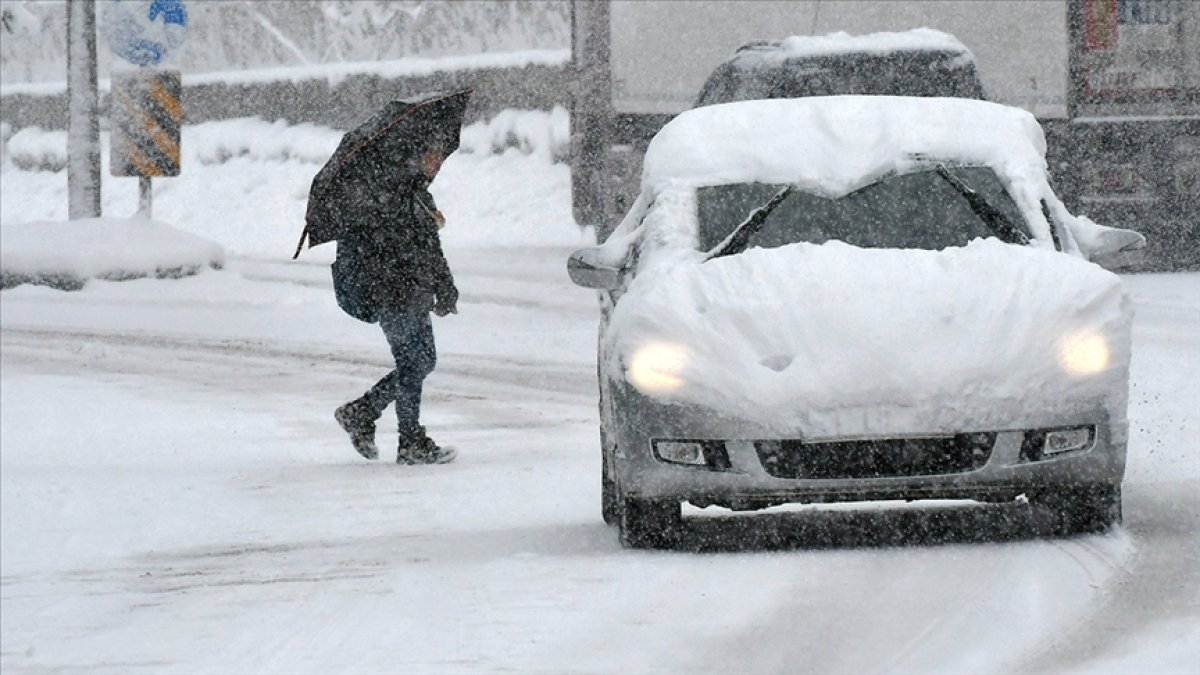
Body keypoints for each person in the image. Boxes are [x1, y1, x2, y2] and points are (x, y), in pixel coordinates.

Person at [332, 139, 459, 465]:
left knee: (422, 362)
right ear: (413, 155)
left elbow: (431, 247)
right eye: (431, 156)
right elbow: (376, 250)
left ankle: (361, 411)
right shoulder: (383, 196)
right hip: (392, 293)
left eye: (439, 159)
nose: (436, 164)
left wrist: (445, 286)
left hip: (415, 291)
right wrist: (398, 265)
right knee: (413, 365)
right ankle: (409, 440)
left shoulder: (418, 194)